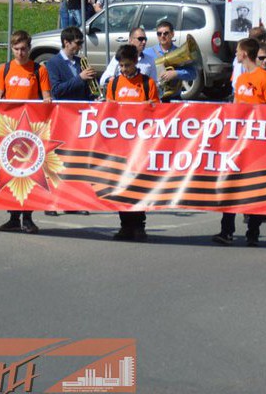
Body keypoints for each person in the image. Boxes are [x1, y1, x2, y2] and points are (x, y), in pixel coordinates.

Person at [0, 30, 51, 235]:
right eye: (16, 49)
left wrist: (47, 101)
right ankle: (13, 217)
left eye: (23, 49)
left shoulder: (39, 70)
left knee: (29, 174)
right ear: (11, 49)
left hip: (31, 130)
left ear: (29, 49)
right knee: (11, 174)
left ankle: (28, 218)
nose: (20, 53)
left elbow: (47, 98)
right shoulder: (4, 70)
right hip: (10, 129)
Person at [213, 38, 266, 247]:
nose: (236, 55)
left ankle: (253, 231)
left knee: (254, 188)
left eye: (238, 52)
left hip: (256, 142)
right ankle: (227, 230)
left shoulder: (265, 78)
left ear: (244, 54)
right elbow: (235, 107)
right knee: (230, 185)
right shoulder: (241, 79)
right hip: (238, 141)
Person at [106, 44, 159, 241]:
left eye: (127, 66)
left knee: (138, 186)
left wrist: (146, 107)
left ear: (136, 62)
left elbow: (156, 110)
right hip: (120, 145)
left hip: (140, 145)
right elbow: (108, 113)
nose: (124, 70)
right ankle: (125, 225)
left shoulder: (147, 83)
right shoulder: (113, 84)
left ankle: (139, 225)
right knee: (121, 185)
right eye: (121, 66)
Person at [45, 26, 99, 100]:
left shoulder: (81, 61)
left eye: (81, 43)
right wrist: (80, 78)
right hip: (65, 107)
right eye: (78, 43)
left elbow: (87, 89)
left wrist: (93, 84)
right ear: (66, 42)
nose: (80, 47)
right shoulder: (53, 63)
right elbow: (56, 90)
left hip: (82, 107)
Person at [152, 20, 196, 99]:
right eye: (159, 34)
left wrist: (176, 73)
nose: (162, 36)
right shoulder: (148, 52)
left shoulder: (181, 53)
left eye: (166, 33)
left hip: (173, 97)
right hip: (153, 97)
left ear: (172, 34)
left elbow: (193, 74)